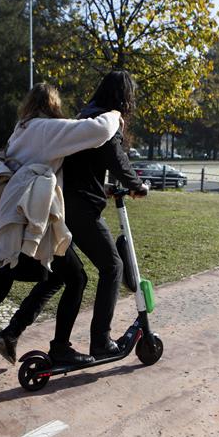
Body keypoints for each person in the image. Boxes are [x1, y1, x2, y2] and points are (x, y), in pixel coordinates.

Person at [0, 83, 122, 388]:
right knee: (77, 278)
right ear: (52, 104)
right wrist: (114, 113)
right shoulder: (46, 129)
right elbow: (97, 131)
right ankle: (60, 348)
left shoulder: (20, 130)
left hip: (7, 222)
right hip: (28, 224)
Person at [61, 71, 149, 358]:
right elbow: (118, 159)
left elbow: (86, 167)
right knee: (113, 267)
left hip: (66, 203)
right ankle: (100, 340)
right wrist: (138, 186)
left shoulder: (84, 116)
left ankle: (19, 332)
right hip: (83, 208)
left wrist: (108, 188)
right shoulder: (107, 121)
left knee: (68, 277)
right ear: (124, 97)